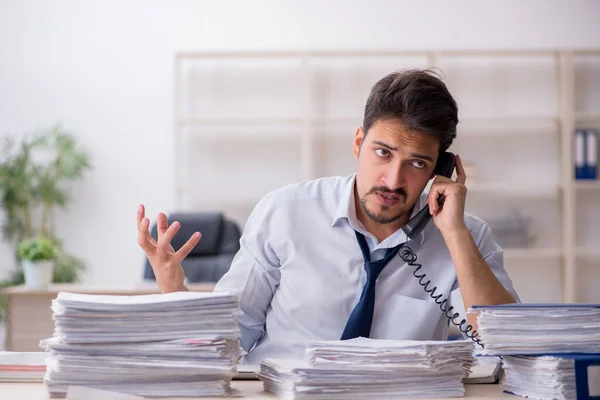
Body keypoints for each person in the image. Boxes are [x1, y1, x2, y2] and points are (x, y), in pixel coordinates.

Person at [137, 68, 519, 364]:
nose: (393, 180)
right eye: (383, 153)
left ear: (442, 169)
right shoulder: (285, 213)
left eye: (416, 163)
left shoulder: (466, 236)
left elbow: (505, 343)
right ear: (358, 142)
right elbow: (230, 338)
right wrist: (174, 291)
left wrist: (453, 234)